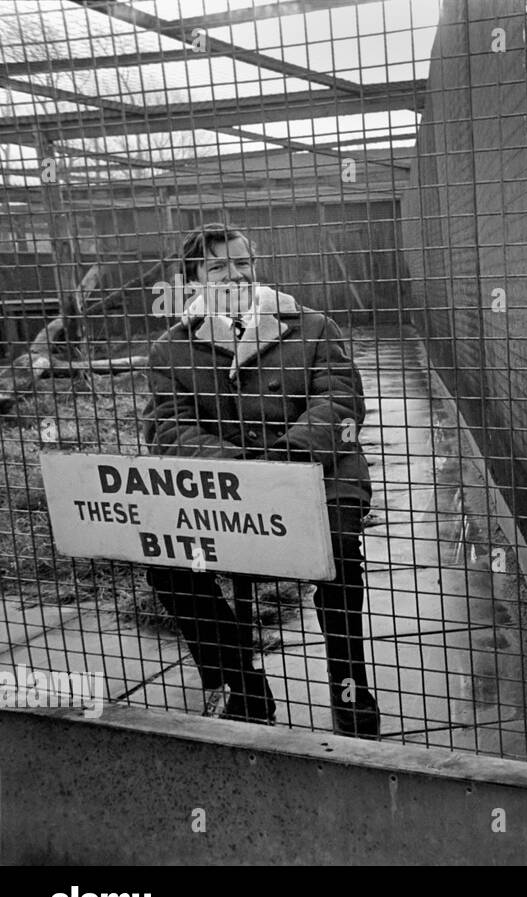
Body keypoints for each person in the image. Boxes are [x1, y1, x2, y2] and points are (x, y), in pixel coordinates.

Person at [141, 223, 380, 739]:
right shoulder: (170, 348)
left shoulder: (312, 326)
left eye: (243, 262)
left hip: (320, 476)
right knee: (168, 565)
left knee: (335, 551)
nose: (236, 274)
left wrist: (286, 456)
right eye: (218, 267)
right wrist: (238, 468)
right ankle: (242, 682)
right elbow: (167, 426)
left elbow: (341, 403)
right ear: (193, 282)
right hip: (228, 487)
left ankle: (349, 684)